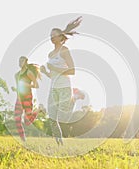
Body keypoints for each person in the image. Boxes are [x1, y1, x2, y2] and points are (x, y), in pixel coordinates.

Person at [40, 16, 83, 145]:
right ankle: (59, 144)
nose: (51, 37)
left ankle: (74, 98)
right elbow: (53, 75)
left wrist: (54, 68)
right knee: (52, 118)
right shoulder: (50, 54)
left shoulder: (64, 50)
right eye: (50, 35)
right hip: (53, 88)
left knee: (64, 117)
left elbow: (72, 70)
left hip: (64, 87)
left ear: (61, 37)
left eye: (54, 35)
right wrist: (45, 72)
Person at [12, 56, 40, 142]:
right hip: (20, 97)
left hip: (28, 96)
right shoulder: (16, 75)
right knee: (17, 119)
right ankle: (23, 139)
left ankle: (38, 110)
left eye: (22, 60)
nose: (20, 62)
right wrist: (16, 90)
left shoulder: (29, 73)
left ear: (26, 62)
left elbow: (36, 86)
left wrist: (25, 85)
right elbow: (18, 87)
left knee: (27, 122)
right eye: (19, 61)